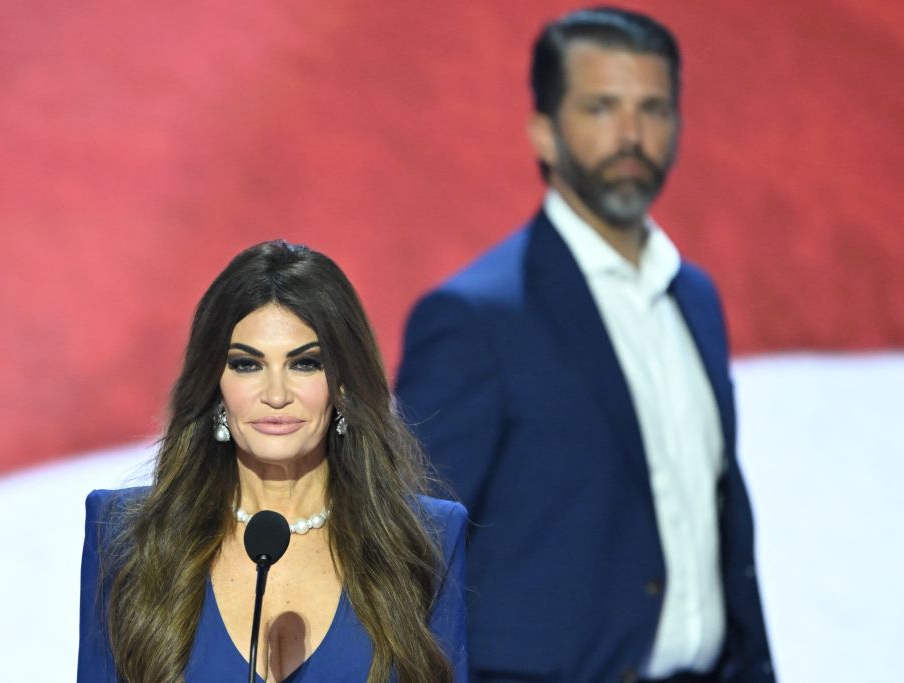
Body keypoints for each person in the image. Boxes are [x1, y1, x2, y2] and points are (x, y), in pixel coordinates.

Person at [395, 7, 774, 683]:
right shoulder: (474, 320)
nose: (632, 134)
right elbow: (405, 553)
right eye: (602, 107)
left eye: (653, 108)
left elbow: (714, 512)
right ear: (543, 130)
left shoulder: (695, 299)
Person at [78, 240, 468, 682]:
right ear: (214, 384)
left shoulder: (424, 539)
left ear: (342, 386)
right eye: (247, 365)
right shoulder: (126, 533)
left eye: (305, 364)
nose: (277, 395)